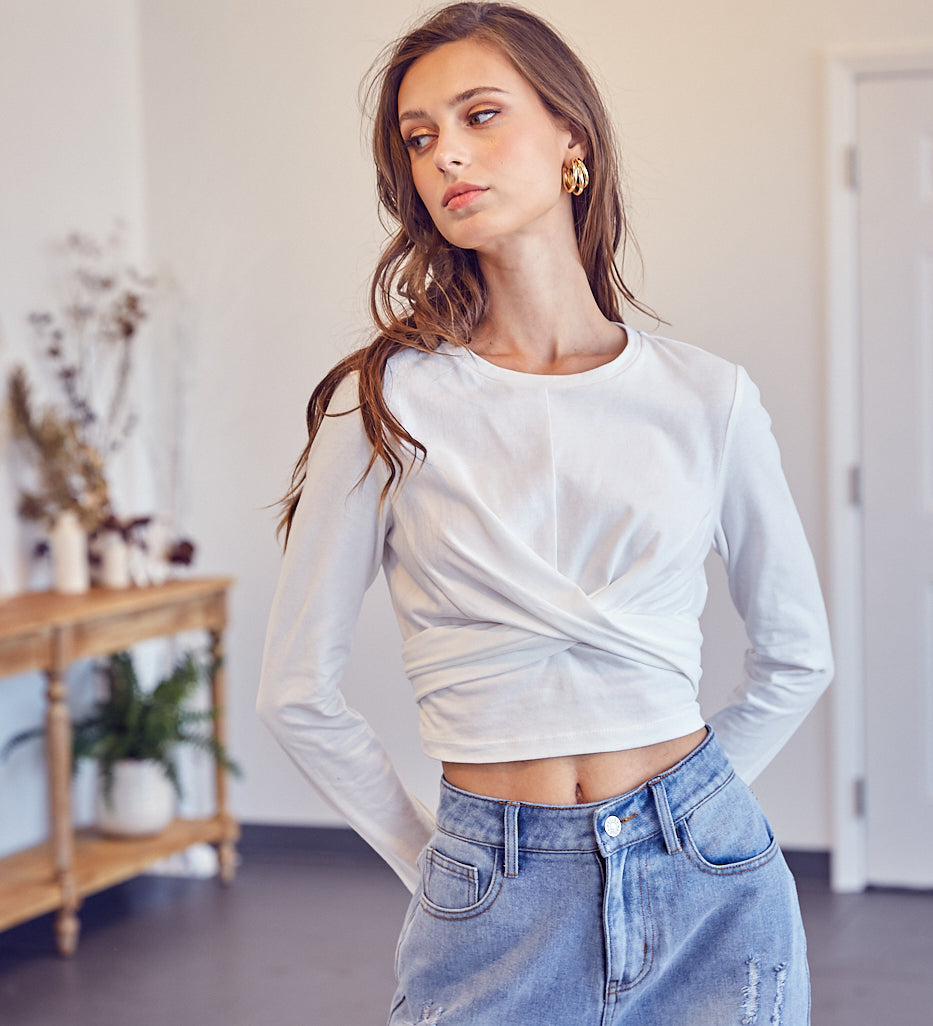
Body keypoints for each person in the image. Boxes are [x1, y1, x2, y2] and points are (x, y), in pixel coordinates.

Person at [257, 3, 833, 1023]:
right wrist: (441, 861)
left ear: (571, 137)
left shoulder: (708, 397)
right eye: (421, 137)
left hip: (715, 892)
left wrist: (685, 814)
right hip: (491, 890)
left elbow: (799, 656)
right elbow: (296, 691)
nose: (447, 158)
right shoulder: (386, 402)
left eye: (480, 116)